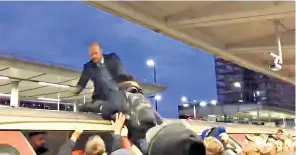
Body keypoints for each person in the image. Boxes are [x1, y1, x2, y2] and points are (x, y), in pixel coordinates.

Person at [75, 42, 123, 113]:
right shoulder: (88, 67)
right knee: (98, 105)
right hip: (100, 99)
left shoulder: (113, 58)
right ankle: (83, 107)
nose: (94, 56)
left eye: (96, 53)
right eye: (91, 54)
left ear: (101, 51)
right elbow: (82, 83)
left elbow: (121, 75)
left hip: (117, 96)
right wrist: (74, 91)